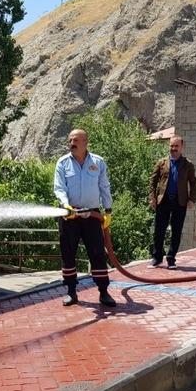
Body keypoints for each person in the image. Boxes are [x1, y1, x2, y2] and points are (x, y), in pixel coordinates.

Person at [54, 129, 116, 307]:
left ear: (85, 142)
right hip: (69, 215)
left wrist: (108, 211)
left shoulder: (98, 162)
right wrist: (66, 205)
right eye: (70, 140)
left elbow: (104, 186)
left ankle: (103, 292)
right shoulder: (63, 163)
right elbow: (59, 188)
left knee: (97, 253)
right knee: (68, 253)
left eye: (75, 140)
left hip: (92, 215)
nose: (71, 143)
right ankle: (71, 292)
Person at [148, 135, 196, 269]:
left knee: (176, 231)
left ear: (182, 147)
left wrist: (192, 199)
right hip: (163, 201)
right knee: (159, 230)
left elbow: (193, 183)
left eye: (176, 146)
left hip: (180, 202)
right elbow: (152, 181)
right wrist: (152, 198)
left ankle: (171, 259)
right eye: (171, 146)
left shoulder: (188, 165)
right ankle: (157, 258)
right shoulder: (162, 163)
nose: (173, 148)